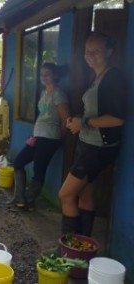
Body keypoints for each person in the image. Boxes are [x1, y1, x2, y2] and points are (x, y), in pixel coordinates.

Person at [59, 32, 127, 236]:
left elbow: (117, 119)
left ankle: (68, 249)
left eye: (96, 51)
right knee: (85, 195)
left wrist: (84, 122)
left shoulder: (113, 78)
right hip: (90, 145)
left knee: (65, 195)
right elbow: (95, 112)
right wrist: (79, 119)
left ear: (109, 51)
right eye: (87, 52)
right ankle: (82, 248)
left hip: (96, 148)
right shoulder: (98, 76)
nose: (90, 55)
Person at [7, 63, 69, 210]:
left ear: (55, 75)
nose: (44, 77)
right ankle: (19, 197)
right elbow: (41, 116)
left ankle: (27, 202)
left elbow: (66, 119)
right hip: (38, 136)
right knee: (18, 162)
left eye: (47, 74)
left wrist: (59, 138)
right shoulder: (44, 93)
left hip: (50, 138)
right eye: (41, 75)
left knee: (38, 170)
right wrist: (34, 134)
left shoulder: (59, 94)